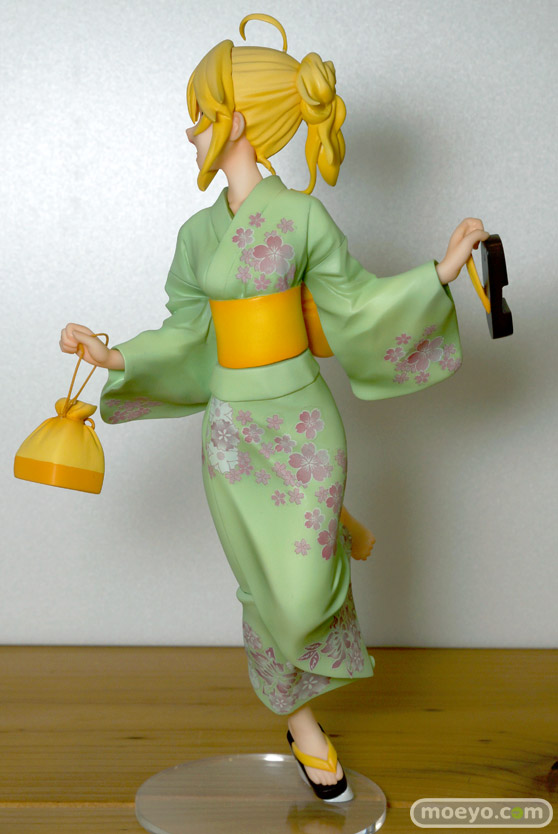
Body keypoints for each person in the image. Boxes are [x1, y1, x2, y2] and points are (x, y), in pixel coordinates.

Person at [59, 13, 488, 802]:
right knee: (265, 589)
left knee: (304, 590)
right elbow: (187, 333)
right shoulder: (196, 237)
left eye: (200, 114)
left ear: (236, 121)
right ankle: (303, 725)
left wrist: (439, 272)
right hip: (234, 433)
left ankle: (330, 529)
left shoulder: (303, 218)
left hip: (303, 425)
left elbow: (355, 306)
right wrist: (114, 356)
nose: (190, 130)